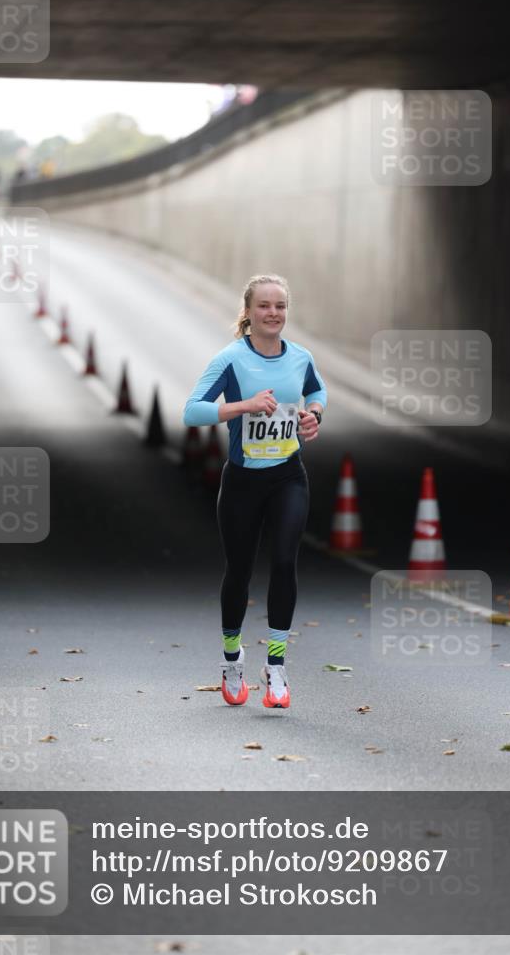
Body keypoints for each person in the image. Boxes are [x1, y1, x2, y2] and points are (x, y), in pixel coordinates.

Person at [183, 274, 327, 709]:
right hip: (243, 481)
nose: (273, 313)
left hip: (288, 476)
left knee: (284, 562)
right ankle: (232, 660)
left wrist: (313, 414)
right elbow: (192, 412)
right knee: (240, 571)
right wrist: (244, 406)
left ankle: (276, 666)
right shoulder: (231, 359)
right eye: (264, 305)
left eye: (280, 306)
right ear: (248, 312)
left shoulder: (300, 357)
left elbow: (316, 389)